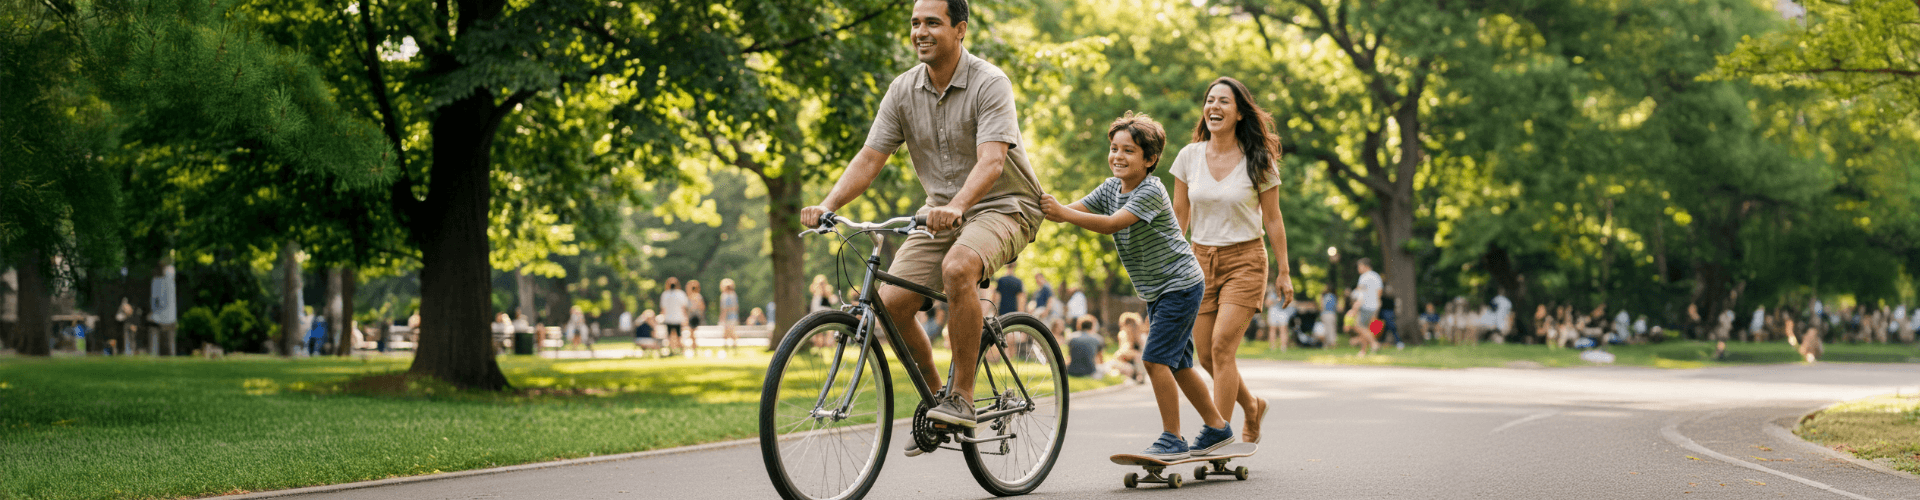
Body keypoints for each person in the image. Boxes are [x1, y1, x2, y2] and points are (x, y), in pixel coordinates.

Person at [799, 0, 1047, 439]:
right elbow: (870, 157)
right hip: (937, 215)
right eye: (915, 23)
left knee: (958, 267)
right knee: (891, 307)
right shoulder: (902, 90)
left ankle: (964, 397)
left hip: (1005, 206)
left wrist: (958, 206)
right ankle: (939, 401)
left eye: (933, 22)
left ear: (960, 29)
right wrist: (829, 204)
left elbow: (992, 162)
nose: (921, 32)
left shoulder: (990, 82)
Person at [1041, 111, 1231, 459]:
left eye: (1129, 151)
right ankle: (1218, 427)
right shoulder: (1112, 187)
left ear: (1150, 159)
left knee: (1155, 360)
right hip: (1159, 290)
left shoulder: (1150, 190)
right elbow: (1073, 208)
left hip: (1180, 284)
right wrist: (1042, 212)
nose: (1118, 156)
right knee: (1179, 364)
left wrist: (1061, 213)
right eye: (1114, 148)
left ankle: (1172, 437)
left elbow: (1112, 224)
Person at [1347, 259, 1383, 355]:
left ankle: (1374, 343)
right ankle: (1363, 351)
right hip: (1374, 305)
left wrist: (1355, 307)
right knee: (1366, 328)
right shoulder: (1376, 276)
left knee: (1357, 326)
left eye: (1360, 266)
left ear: (1366, 266)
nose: (1358, 269)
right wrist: (1377, 303)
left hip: (1365, 306)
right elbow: (1379, 291)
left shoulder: (1364, 277)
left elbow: (1360, 294)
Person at [1107, 312, 1147, 383]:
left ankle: (1140, 376)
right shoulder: (1123, 335)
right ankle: (1131, 377)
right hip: (1126, 360)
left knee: (1139, 356)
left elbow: (1144, 352)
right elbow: (1122, 353)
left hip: (1137, 362)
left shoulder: (1141, 336)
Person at [150, 264, 179, 356]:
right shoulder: (170, 284)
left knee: (161, 343)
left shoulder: (157, 282)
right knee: (170, 344)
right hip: (169, 318)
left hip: (161, 317)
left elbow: (155, 301)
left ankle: (155, 354)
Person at [660, 277, 689, 356]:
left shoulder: (665, 294)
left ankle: (671, 351)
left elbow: (663, 308)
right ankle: (681, 351)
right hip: (678, 318)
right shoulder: (681, 294)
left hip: (668, 318)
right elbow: (684, 308)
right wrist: (685, 318)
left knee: (669, 336)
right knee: (679, 336)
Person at [719, 279, 740, 352]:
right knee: (732, 332)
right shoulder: (734, 295)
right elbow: (736, 307)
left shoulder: (724, 295)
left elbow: (724, 309)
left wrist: (722, 318)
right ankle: (734, 347)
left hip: (728, 317)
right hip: (733, 317)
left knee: (726, 333)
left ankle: (726, 347)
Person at [686, 280, 707, 350]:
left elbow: (701, 307)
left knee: (692, 332)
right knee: (692, 333)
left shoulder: (695, 296)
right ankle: (694, 346)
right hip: (694, 316)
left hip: (694, 316)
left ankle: (694, 346)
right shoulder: (697, 296)